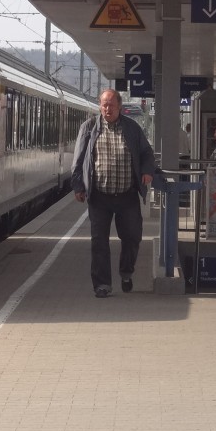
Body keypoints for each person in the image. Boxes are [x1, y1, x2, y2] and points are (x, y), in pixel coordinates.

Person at [71, 88, 155, 298]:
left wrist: (146, 170)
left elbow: (146, 153)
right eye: (104, 104)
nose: (107, 108)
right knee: (99, 241)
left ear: (120, 106)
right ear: (100, 106)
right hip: (99, 196)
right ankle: (102, 284)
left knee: (132, 237)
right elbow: (79, 160)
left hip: (127, 195)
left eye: (111, 104)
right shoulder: (89, 128)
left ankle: (126, 272)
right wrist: (78, 186)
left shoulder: (132, 128)